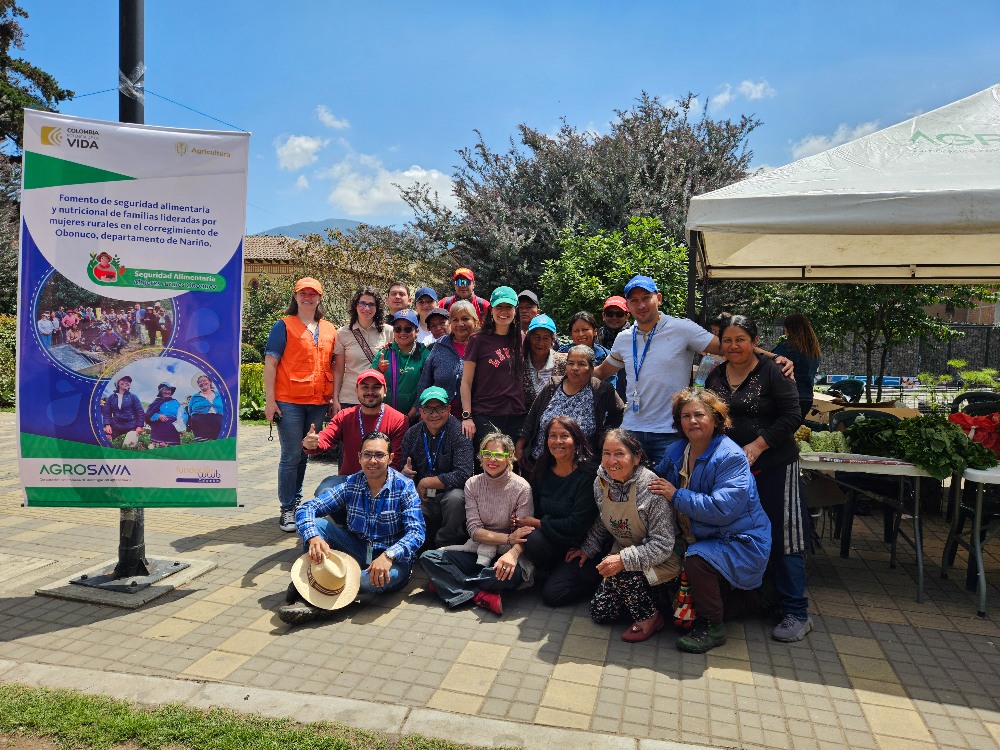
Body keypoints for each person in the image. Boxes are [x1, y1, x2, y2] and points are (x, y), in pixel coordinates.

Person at [594, 275, 793, 468]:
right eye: (634, 300)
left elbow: (728, 345)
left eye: (646, 298)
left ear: (659, 299)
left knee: (668, 493)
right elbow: (602, 372)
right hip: (632, 429)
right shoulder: (624, 338)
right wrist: (568, 371)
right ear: (628, 305)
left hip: (670, 432)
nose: (641, 305)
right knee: (632, 491)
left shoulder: (682, 329)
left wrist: (773, 357)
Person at [704, 315, 812, 642]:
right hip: (734, 473)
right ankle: (758, 599)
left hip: (776, 466)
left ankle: (797, 611)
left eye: (740, 339)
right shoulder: (715, 375)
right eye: (727, 340)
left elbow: (793, 415)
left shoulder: (774, 371)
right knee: (739, 532)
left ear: (754, 341)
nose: (733, 346)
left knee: (784, 536)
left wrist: (758, 445)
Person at [651, 389, 772, 653]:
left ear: (716, 419)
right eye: (685, 416)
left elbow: (722, 509)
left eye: (699, 415)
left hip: (739, 540)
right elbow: (654, 481)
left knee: (697, 560)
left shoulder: (730, 457)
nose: (692, 421)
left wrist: (676, 494)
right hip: (699, 534)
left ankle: (712, 626)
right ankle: (746, 599)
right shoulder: (676, 450)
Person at [279, 431, 425, 625]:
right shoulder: (352, 483)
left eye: (379, 455)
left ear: (390, 458)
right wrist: (313, 537)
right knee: (318, 525)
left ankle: (316, 592)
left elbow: (417, 532)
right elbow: (308, 508)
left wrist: (390, 555)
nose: (372, 460)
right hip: (357, 548)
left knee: (365, 581)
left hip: (393, 561)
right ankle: (321, 587)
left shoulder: (404, 487)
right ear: (359, 457)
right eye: (367, 454)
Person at [567, 428, 680, 642]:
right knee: (602, 611)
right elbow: (604, 519)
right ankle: (647, 597)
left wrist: (622, 560)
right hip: (625, 554)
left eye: (619, 453)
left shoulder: (652, 488)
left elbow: (663, 545)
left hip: (664, 560)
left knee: (621, 572)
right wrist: (587, 548)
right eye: (606, 453)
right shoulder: (601, 482)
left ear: (636, 457)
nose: (611, 461)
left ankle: (651, 618)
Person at [419, 432, 533, 616]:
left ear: (510, 457)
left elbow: (524, 534)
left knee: (505, 575)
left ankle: (449, 584)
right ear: (480, 457)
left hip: (507, 553)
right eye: (487, 454)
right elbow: (474, 531)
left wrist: (511, 550)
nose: (492, 460)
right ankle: (481, 595)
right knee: (428, 558)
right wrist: (508, 537)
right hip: (478, 550)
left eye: (498, 455)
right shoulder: (472, 484)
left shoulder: (522, 488)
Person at [263, 277, 337, 533]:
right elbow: (270, 364)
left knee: (306, 454)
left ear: (319, 298)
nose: (308, 297)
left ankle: (295, 502)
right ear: (295, 297)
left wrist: (332, 399)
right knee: (291, 455)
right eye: (303, 293)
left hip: (317, 402)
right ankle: (287, 508)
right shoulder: (283, 326)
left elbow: (334, 366)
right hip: (289, 401)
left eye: (313, 294)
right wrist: (270, 401)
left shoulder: (329, 328)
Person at [515, 417, 599, 605]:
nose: (558, 441)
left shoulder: (588, 474)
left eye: (564, 436)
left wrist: (538, 523)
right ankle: (552, 571)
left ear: (576, 440)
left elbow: (577, 524)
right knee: (532, 537)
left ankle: (595, 581)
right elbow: (533, 507)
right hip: (551, 542)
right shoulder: (542, 469)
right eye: (552, 436)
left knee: (552, 596)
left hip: (579, 547)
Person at [517, 344, 624, 472]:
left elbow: (618, 411)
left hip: (581, 468)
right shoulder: (552, 385)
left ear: (591, 368)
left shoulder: (601, 390)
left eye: (581, 364)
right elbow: (532, 417)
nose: (575, 368)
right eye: (571, 363)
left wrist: (605, 437)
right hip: (541, 463)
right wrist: (520, 445)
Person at [304, 369, 409, 496]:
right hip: (349, 479)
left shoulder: (399, 419)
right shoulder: (344, 415)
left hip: (383, 483)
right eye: (365, 387)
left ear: (385, 391)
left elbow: (396, 461)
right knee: (325, 491)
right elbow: (326, 438)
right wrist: (312, 443)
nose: (370, 392)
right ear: (356, 391)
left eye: (376, 387)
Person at [400, 387, 475, 547]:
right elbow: (403, 467)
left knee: (456, 499)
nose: (434, 414)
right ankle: (418, 543)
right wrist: (405, 473)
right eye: (428, 409)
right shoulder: (412, 434)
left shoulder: (460, 432)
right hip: (422, 497)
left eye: (440, 408)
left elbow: (464, 474)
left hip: (448, 493)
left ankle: (444, 545)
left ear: (448, 409)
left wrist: (427, 482)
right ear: (421, 411)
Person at [459, 286, 526, 449]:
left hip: (516, 415)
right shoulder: (477, 340)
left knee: (512, 468)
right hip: (486, 414)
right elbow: (466, 382)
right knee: (489, 465)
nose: (504, 312)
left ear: (515, 311)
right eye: (499, 307)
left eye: (508, 307)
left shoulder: (522, 339)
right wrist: (467, 416)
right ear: (491, 310)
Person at [332, 286, 392, 412]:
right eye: (362, 303)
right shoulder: (342, 333)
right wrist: (335, 399)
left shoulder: (388, 331)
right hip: (350, 398)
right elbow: (338, 370)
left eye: (371, 304)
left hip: (377, 398)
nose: (366, 308)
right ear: (355, 305)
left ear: (377, 308)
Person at [417, 300, 479, 417]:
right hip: (441, 417)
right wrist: (421, 412)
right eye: (455, 320)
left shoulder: (482, 345)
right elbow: (425, 381)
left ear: (475, 321)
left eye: (465, 319)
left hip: (477, 417)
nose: (460, 324)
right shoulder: (441, 344)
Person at [372, 309, 430, 419]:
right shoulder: (384, 353)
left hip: (415, 417)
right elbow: (370, 382)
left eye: (408, 329)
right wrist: (379, 370)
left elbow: (426, 386)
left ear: (416, 331)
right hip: (385, 416)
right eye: (398, 329)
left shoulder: (425, 355)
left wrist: (413, 411)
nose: (402, 332)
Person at [772, 313, 822, 421]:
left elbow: (768, 361)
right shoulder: (814, 350)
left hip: (790, 398)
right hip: (807, 398)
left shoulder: (787, 346)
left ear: (789, 328)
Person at [522, 314, 566, 408]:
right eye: (536, 337)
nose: (540, 342)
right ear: (529, 338)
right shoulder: (521, 363)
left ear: (552, 340)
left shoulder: (563, 363)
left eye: (546, 338)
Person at [102, 375, 145, 442]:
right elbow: (107, 412)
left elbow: (140, 412)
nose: (126, 382)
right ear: (117, 383)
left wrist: (140, 426)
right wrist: (107, 425)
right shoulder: (111, 398)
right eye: (123, 380)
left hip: (131, 426)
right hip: (115, 426)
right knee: (104, 441)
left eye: (128, 381)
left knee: (130, 446)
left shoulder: (133, 397)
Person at [185, 373, 225, 441]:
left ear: (210, 382)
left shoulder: (220, 395)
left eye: (204, 380)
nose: (202, 382)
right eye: (200, 382)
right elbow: (189, 411)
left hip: (218, 423)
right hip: (200, 424)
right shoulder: (194, 397)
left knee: (217, 445)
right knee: (202, 446)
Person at [145, 382, 182, 447]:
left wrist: (181, 422)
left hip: (173, 433)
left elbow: (183, 414)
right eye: (165, 389)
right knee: (157, 451)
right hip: (158, 432)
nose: (167, 392)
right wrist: (158, 416)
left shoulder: (176, 403)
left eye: (169, 390)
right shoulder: (156, 402)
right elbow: (148, 415)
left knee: (172, 453)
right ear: (160, 391)